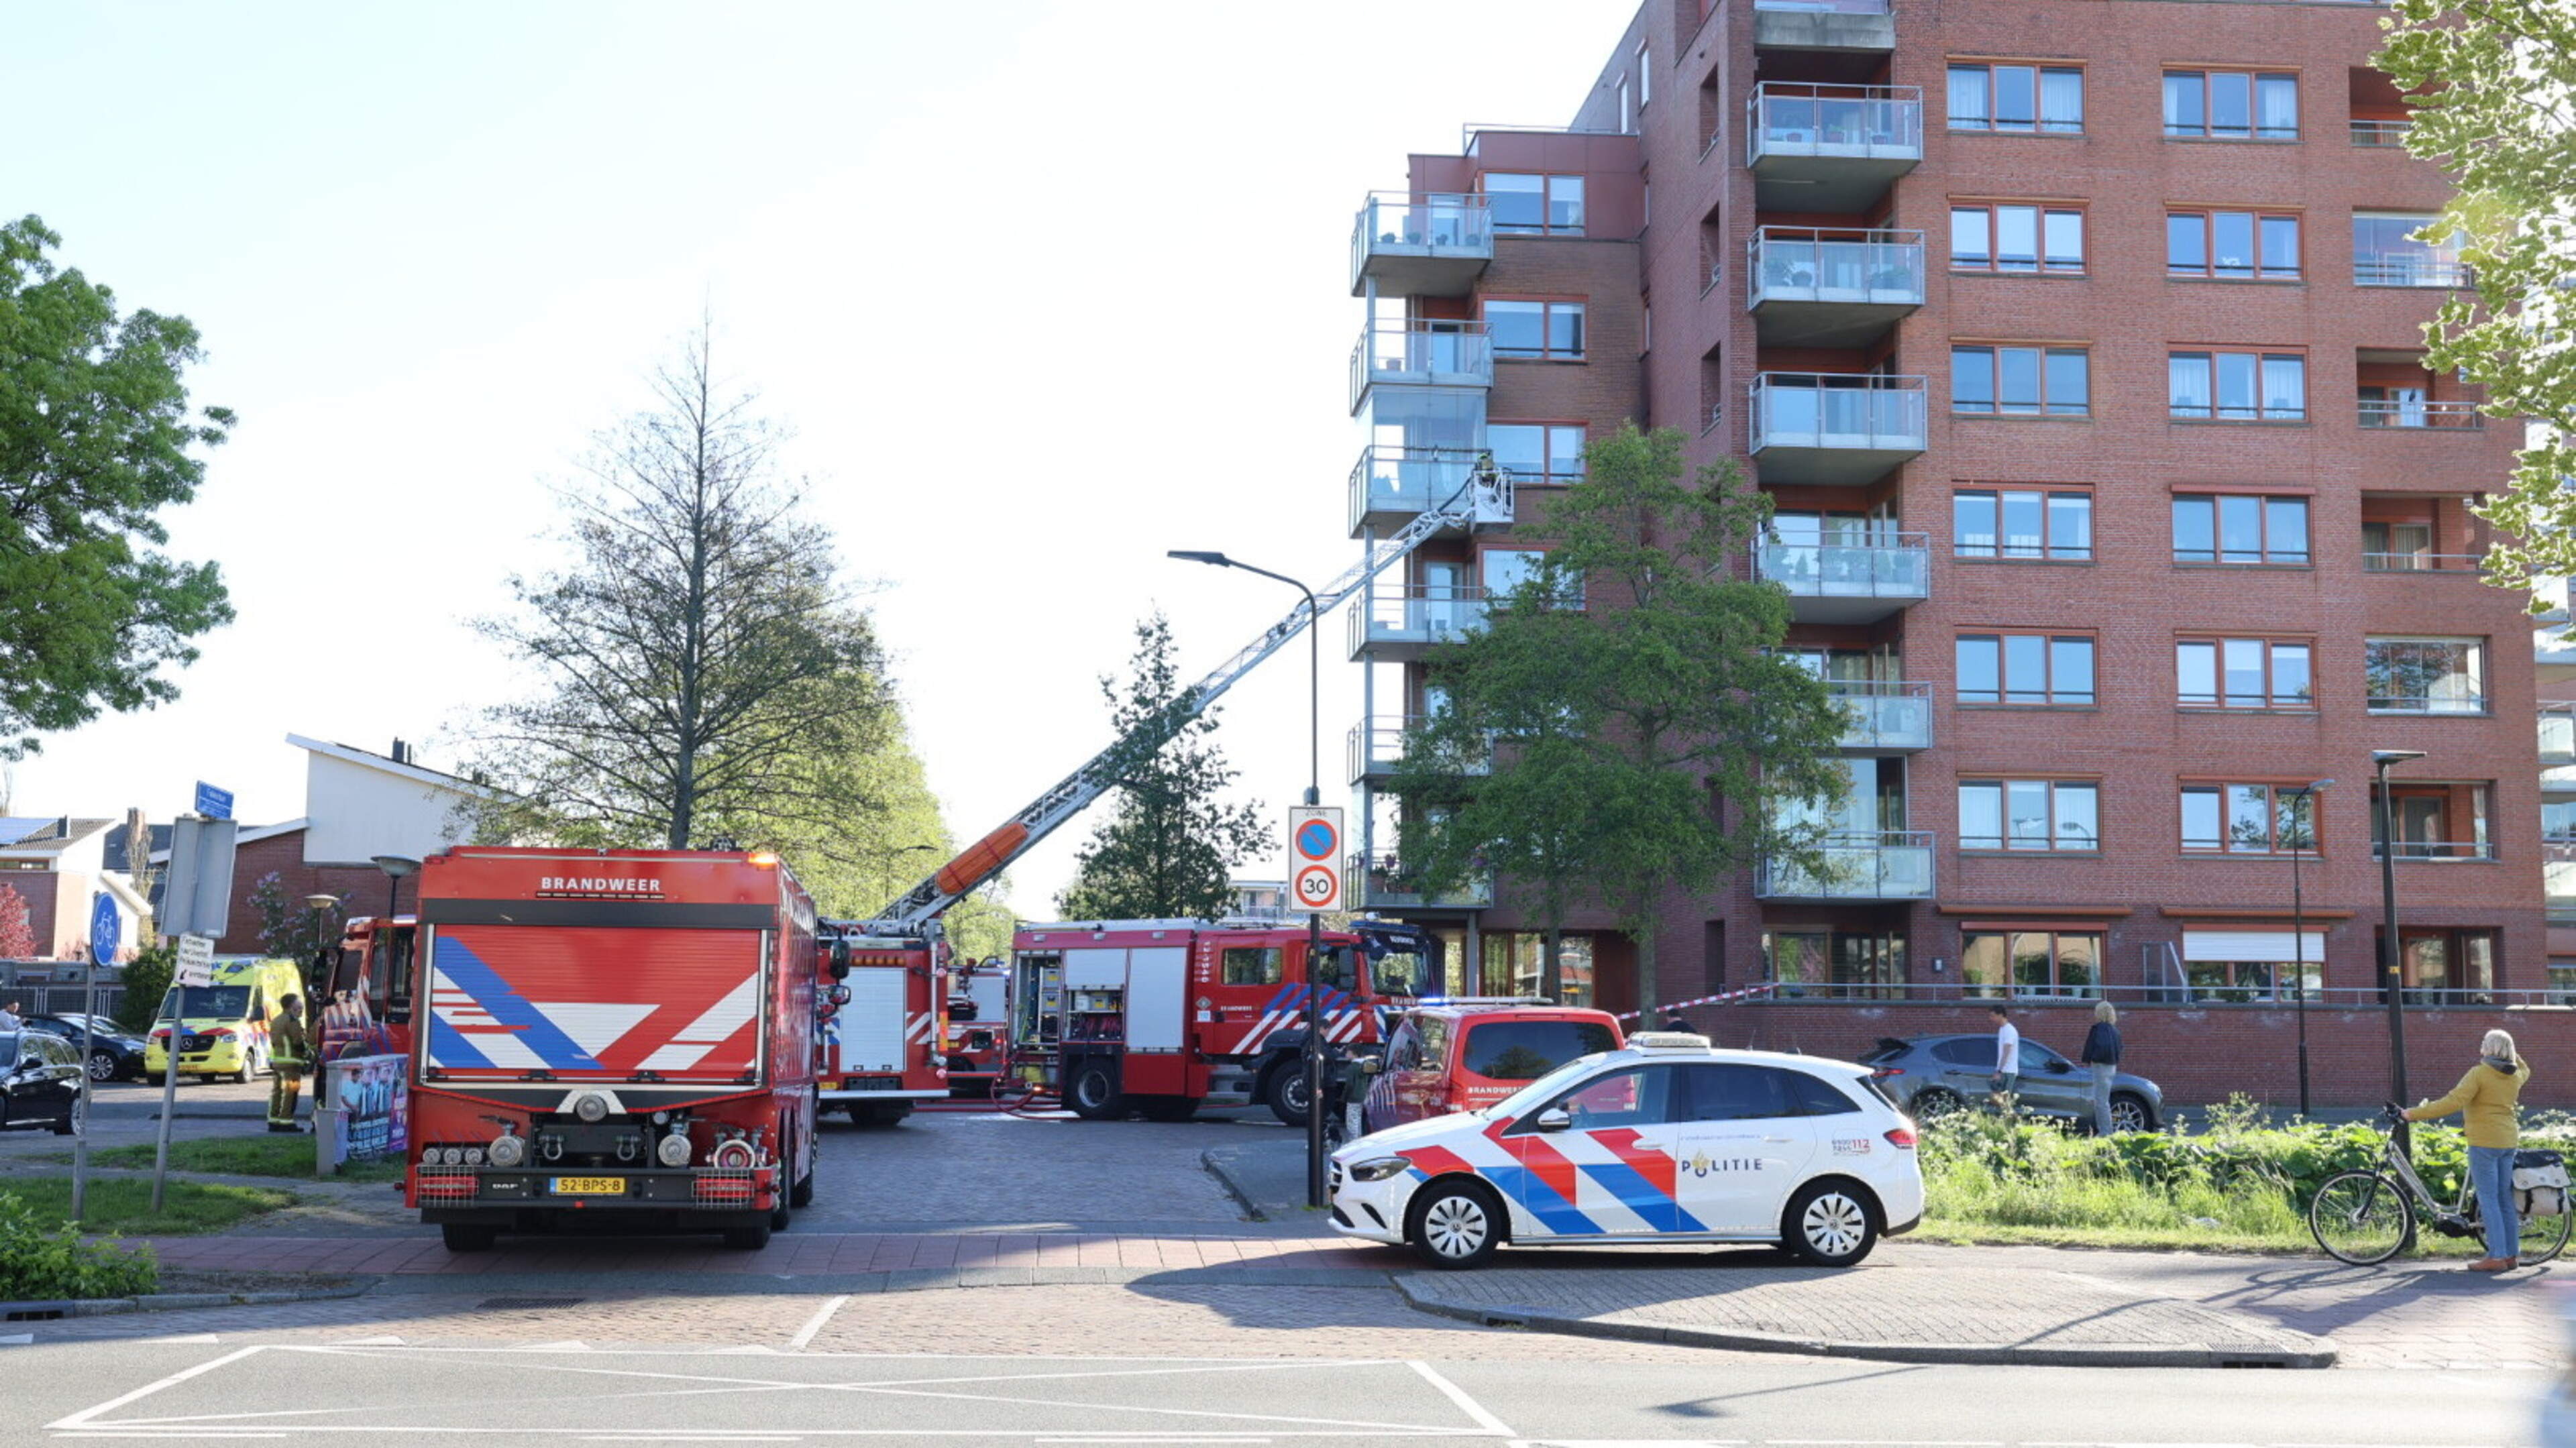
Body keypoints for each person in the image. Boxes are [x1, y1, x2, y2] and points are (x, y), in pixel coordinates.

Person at [2404, 1027, 2530, 1272]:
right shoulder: (2516, 1076)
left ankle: (2496, 1256)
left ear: (2491, 1048)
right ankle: (2512, 1255)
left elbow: (2452, 1101)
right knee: (2504, 1199)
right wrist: (2511, 1050)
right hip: (2508, 1141)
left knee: (2488, 1199)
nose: (2480, 1045)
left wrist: (2413, 1114)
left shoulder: (2479, 1074)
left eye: (2484, 1042)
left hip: (2484, 1142)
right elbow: (2525, 1068)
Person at [267, 994, 312, 1133]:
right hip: (292, 1064)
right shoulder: (292, 1021)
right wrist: (309, 1053)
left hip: (278, 1063)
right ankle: (287, 1122)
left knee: (277, 1092)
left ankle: (273, 1121)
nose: (301, 1009)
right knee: (291, 1092)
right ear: (291, 1006)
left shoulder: (275, 1020)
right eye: (299, 1006)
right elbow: (298, 1042)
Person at [2080, 1001, 2123, 1135]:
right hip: (2112, 1066)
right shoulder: (2115, 1030)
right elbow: (2120, 1048)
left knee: (2101, 1101)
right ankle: (2105, 1130)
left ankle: (2105, 1132)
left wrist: (2091, 1058)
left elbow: (2098, 1046)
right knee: (2102, 1100)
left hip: (2101, 1066)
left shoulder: (2099, 1029)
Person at [1988, 1005, 2019, 1114]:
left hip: (2008, 1071)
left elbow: (2007, 1051)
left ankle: (2008, 1124)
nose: (1991, 1019)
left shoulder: (2009, 1030)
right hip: (2004, 1070)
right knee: (1999, 1101)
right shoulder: (2002, 1029)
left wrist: (1999, 1071)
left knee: (2004, 1102)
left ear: (2001, 1015)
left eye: (1993, 1016)